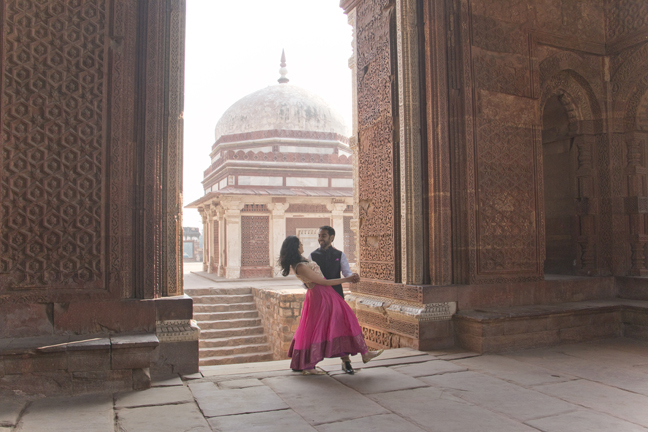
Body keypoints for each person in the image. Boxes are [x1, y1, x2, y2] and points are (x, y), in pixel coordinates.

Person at [279, 235, 383, 375]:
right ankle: (309, 364)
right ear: (296, 247)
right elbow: (323, 282)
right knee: (320, 327)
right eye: (300, 244)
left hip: (325, 294)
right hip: (321, 295)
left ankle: (363, 353)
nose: (302, 245)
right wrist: (347, 279)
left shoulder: (303, 261)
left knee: (344, 320)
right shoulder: (300, 266)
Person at [308, 225, 359, 374]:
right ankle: (309, 362)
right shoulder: (312, 256)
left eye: (323, 236)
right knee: (316, 328)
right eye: (319, 235)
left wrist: (353, 277)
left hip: (336, 296)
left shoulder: (339, 254)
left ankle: (346, 362)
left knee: (340, 328)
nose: (320, 239)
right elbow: (309, 277)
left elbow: (347, 272)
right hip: (319, 298)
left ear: (331, 238)